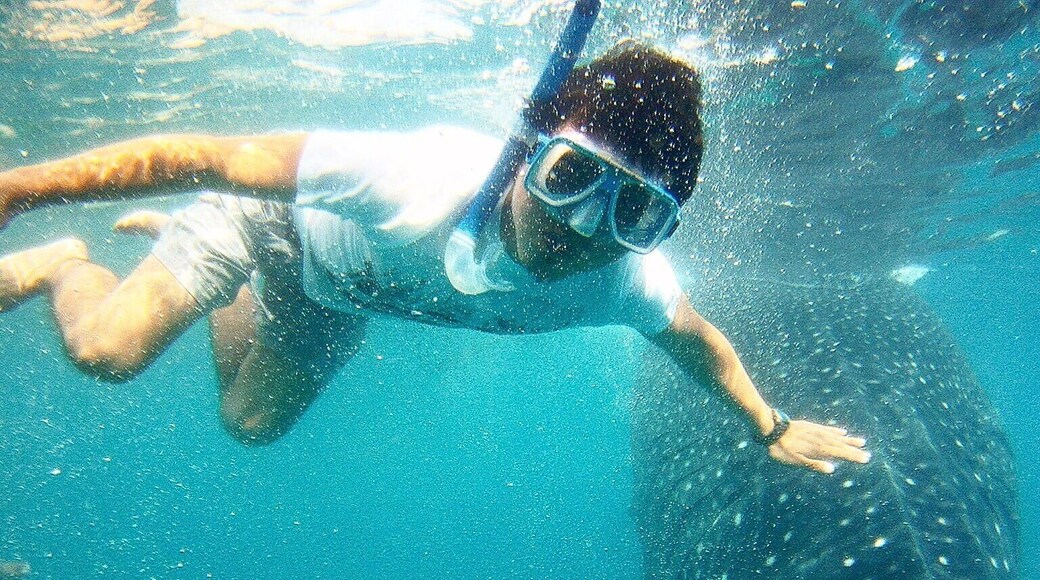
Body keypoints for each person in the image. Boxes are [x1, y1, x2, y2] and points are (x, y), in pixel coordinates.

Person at [0, 41, 870, 472]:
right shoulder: (415, 179)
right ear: (526, 150)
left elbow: (693, 338)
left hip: (334, 295)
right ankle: (66, 267)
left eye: (635, 212)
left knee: (250, 426)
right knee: (107, 354)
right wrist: (18, 190)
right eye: (571, 178)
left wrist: (772, 425)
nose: (584, 230)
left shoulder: (625, 281)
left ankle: (216, 279)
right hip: (272, 223)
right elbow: (209, 155)